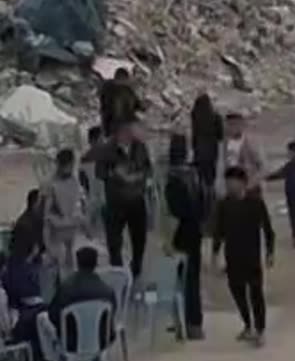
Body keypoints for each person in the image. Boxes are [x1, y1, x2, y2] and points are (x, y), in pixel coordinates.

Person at [212, 167, 275, 345]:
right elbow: (219, 232)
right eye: (227, 183)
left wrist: (270, 252)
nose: (230, 186)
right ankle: (248, 324)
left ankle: (260, 329)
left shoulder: (255, 203)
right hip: (232, 257)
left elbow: (268, 230)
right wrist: (214, 255)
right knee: (237, 292)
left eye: (232, 182)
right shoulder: (224, 204)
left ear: (242, 183)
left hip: (252, 256)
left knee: (256, 293)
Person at [48, 246, 118, 361]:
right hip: (101, 339)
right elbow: (112, 314)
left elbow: (53, 315)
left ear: (77, 263)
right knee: (102, 327)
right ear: (96, 264)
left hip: (71, 341)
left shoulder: (66, 288)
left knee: (43, 321)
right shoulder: (107, 290)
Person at [163, 134, 208, 339]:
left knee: (178, 279)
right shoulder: (194, 175)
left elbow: (173, 214)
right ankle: (195, 323)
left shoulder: (173, 180)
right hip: (195, 231)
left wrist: (167, 241)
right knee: (193, 278)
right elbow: (206, 201)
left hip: (180, 233)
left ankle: (182, 322)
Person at [96, 117, 151, 279]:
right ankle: (117, 271)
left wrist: (139, 176)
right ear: (118, 133)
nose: (129, 134)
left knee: (139, 238)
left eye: (131, 130)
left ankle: (137, 269)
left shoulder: (140, 147)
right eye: (126, 131)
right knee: (114, 240)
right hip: (115, 201)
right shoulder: (107, 149)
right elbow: (99, 172)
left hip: (136, 199)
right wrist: (115, 174)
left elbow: (148, 168)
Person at [41, 149, 85, 276]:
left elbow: (77, 202)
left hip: (69, 224)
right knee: (56, 260)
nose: (71, 168)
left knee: (70, 255)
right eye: (69, 165)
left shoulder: (74, 180)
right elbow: (45, 211)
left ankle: (70, 272)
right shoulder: (49, 183)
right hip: (54, 227)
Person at [266, 141, 295, 248]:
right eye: (290, 153)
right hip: (292, 195)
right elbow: (279, 174)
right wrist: (268, 177)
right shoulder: (290, 166)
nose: (290, 155)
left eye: (292, 153)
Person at [218, 112, 265, 196]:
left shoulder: (251, 143)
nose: (231, 128)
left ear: (242, 125)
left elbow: (262, 167)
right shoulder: (222, 144)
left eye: (235, 124)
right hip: (230, 188)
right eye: (229, 124)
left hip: (249, 188)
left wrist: (251, 183)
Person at [190, 93, 223, 205]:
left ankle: (201, 199)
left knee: (201, 175)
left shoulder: (195, 115)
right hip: (212, 150)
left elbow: (194, 134)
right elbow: (220, 136)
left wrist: (194, 147)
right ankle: (211, 198)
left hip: (199, 149)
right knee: (211, 175)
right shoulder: (216, 117)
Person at [98, 68, 143, 137]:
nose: (125, 82)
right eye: (124, 80)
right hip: (116, 125)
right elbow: (105, 111)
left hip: (125, 124)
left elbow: (136, 104)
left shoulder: (127, 90)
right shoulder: (108, 89)